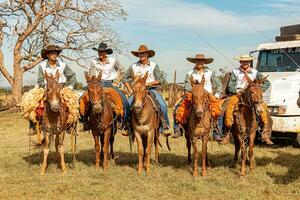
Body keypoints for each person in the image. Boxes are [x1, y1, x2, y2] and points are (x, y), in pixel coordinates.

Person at [221, 54, 273, 145]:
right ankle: (227, 133)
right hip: (238, 95)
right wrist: (236, 90)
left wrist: (258, 91)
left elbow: (267, 83)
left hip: (252, 96)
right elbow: (230, 86)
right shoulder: (235, 72)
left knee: (264, 109)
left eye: (247, 61)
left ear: (249, 62)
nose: (245, 63)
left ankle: (265, 133)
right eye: (243, 61)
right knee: (228, 108)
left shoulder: (255, 72)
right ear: (240, 62)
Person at [79, 42, 130, 133]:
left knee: (123, 99)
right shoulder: (94, 61)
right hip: (97, 85)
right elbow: (91, 73)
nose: (100, 54)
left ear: (106, 52)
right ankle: (85, 121)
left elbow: (123, 71)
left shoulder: (113, 61)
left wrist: (117, 81)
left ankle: (123, 121)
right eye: (99, 52)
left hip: (110, 85)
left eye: (102, 52)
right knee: (82, 99)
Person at [123, 44, 171, 136]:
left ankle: (165, 126)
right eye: (140, 54)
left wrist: (149, 83)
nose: (142, 55)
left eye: (144, 53)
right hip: (137, 91)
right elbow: (125, 78)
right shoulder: (133, 66)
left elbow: (160, 80)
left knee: (162, 105)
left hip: (151, 89)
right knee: (127, 104)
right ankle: (127, 126)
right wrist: (129, 88)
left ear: (147, 54)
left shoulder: (154, 66)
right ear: (138, 55)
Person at [172, 54, 223, 140]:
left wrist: (217, 95)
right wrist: (194, 91)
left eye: (201, 61)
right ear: (195, 62)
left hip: (207, 96)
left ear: (204, 62)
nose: (199, 62)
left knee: (219, 110)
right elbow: (187, 86)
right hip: (193, 95)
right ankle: (178, 128)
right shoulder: (190, 73)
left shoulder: (210, 73)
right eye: (198, 60)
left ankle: (217, 131)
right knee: (178, 106)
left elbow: (218, 84)